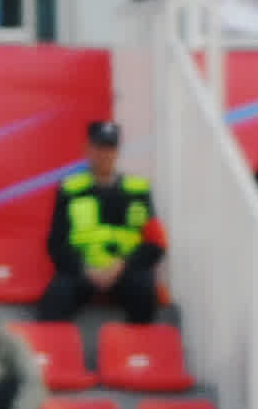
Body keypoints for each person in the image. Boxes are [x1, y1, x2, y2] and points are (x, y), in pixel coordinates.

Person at [37, 118, 163, 327]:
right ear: (87, 149)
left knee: (144, 291)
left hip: (124, 269)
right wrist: (85, 269)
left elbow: (156, 244)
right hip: (83, 269)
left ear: (117, 151)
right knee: (55, 300)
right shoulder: (70, 189)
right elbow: (56, 244)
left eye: (110, 148)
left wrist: (121, 265)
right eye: (99, 147)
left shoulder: (139, 190)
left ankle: (135, 348)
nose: (104, 154)